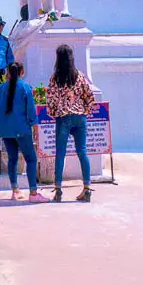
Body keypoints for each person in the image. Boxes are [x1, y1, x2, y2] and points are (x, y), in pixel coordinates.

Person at [47, 44, 95, 203]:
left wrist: (55, 114)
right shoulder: (79, 76)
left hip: (64, 117)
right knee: (82, 152)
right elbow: (89, 96)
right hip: (80, 117)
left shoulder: (55, 78)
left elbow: (51, 101)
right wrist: (85, 111)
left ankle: (58, 189)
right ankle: (87, 188)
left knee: (61, 153)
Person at [0, 62, 46, 202]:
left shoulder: (2, 88)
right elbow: (31, 111)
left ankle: (15, 191)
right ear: (22, 72)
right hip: (22, 129)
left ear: (8, 73)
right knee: (31, 159)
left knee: (13, 159)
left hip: (5, 130)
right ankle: (33, 193)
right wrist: (35, 127)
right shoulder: (25, 88)